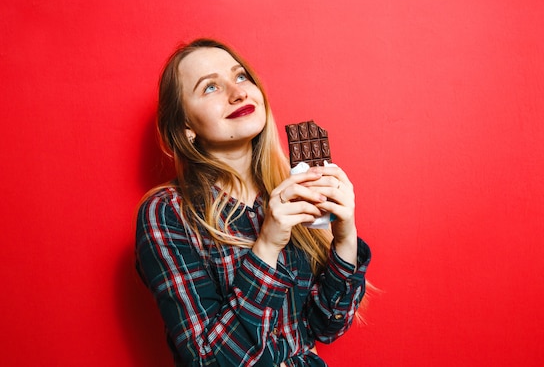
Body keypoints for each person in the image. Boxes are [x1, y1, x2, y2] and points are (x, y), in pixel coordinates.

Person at [135, 38, 372, 366]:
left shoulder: (293, 192)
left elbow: (327, 325)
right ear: (185, 126)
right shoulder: (167, 212)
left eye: (241, 76)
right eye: (210, 88)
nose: (238, 92)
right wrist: (268, 245)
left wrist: (345, 238)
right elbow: (208, 361)